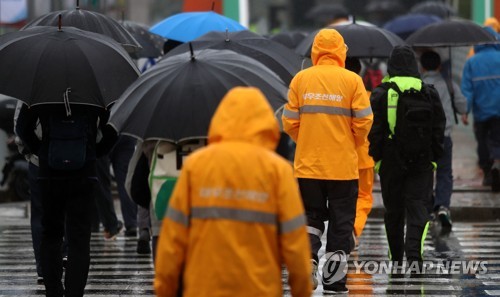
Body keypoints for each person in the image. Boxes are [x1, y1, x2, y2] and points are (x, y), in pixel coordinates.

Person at [154, 87, 312, 297]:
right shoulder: (278, 171)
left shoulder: (196, 166)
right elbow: (295, 243)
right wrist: (302, 291)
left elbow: (172, 238)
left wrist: (165, 288)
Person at [282, 28, 373, 294]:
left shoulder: (301, 79)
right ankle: (334, 281)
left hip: (307, 166)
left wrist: (308, 138)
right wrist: (350, 141)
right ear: (341, 52)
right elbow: (365, 121)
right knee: (341, 224)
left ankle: (308, 261)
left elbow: (289, 122)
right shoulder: (353, 81)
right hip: (343, 168)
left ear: (315, 51)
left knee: (310, 218)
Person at [16, 103, 117, 297]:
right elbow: (112, 130)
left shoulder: (42, 91)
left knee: (51, 234)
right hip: (84, 173)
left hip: (49, 173)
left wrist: (42, 150)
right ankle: (74, 293)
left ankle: (53, 291)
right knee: (79, 238)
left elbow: (22, 127)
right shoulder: (93, 94)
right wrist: (93, 152)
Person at [368, 45, 446, 269]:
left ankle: (396, 258)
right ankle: (414, 255)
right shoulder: (428, 91)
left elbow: (375, 130)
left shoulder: (382, 92)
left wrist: (377, 158)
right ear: (414, 65)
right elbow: (438, 127)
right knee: (418, 208)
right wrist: (434, 158)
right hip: (422, 160)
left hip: (391, 160)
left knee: (393, 211)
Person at [420, 50, 467, 228]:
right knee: (444, 172)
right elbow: (462, 106)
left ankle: (427, 208)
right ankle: (442, 206)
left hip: (424, 137)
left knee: (425, 172)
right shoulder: (449, 83)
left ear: (422, 66)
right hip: (444, 136)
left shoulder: (419, 84)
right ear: (439, 65)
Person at [461, 27, 500, 192]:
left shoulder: (471, 62)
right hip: (499, 110)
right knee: (497, 140)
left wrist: (465, 111)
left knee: (482, 142)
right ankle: (497, 161)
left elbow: (467, 91)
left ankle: (487, 172)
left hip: (481, 112)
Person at [345, 57, 376, 250]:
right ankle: (355, 229)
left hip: (343, 156)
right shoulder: (370, 95)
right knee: (364, 196)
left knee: (344, 198)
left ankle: (345, 227)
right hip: (365, 156)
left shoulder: (338, 94)